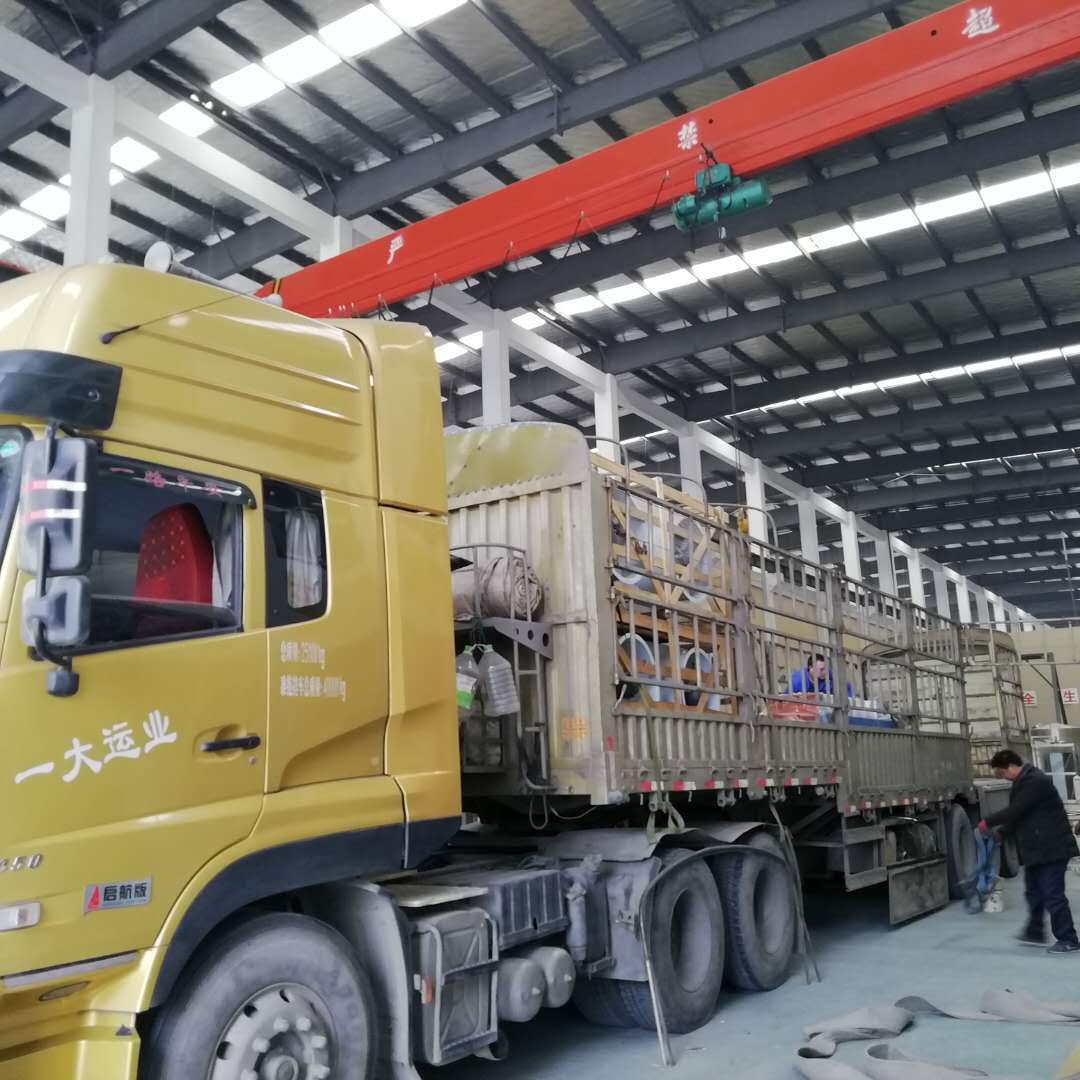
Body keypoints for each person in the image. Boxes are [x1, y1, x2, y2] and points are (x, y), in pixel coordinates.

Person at [979, 749, 1080, 955]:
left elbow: (1015, 810)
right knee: (1033, 891)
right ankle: (1035, 932)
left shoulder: (1035, 781)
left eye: (1001, 773)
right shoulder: (1021, 783)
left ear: (1011, 766)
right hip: (1037, 850)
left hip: (1053, 848)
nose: (1003, 777)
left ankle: (1068, 939)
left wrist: (987, 822)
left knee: (1053, 895)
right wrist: (1002, 833)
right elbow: (1021, 815)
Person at [788, 654, 852, 697]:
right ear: (811, 668)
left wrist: (849, 700)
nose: (825, 672)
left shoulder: (827, 672)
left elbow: (845, 684)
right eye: (821, 669)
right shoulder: (796, 680)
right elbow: (786, 699)